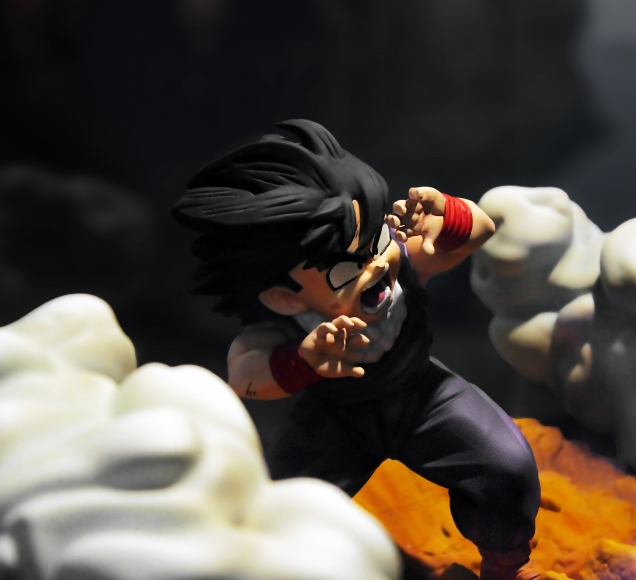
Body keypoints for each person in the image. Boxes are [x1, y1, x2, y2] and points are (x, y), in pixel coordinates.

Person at [172, 119, 542, 580]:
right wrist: (303, 361)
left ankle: (505, 565)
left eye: (377, 240)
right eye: (347, 267)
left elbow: (479, 232)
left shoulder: (398, 261)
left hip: (422, 395)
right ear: (285, 298)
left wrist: (446, 215)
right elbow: (246, 379)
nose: (376, 264)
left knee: (506, 467)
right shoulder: (279, 327)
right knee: (280, 511)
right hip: (336, 421)